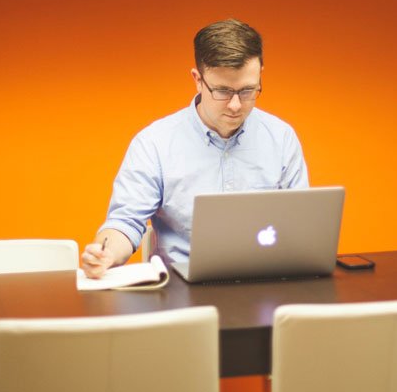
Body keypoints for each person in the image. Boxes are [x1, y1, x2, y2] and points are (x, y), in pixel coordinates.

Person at [81, 18, 309, 278]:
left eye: (247, 91)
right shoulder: (154, 143)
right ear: (197, 79)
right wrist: (105, 253)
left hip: (264, 282)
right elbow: (125, 223)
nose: (235, 105)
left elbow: (299, 224)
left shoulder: (281, 137)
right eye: (222, 91)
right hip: (180, 289)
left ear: (260, 77)